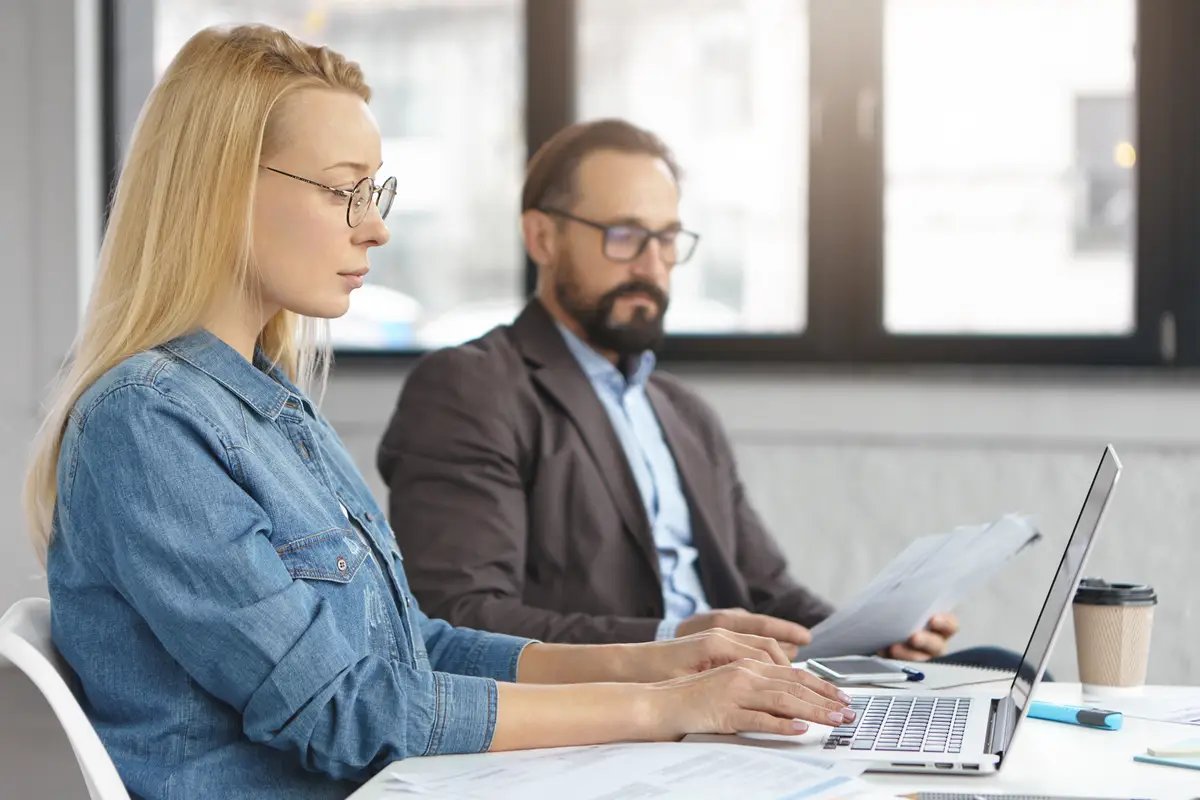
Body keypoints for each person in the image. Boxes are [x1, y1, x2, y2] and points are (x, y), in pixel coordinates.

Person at [22, 29, 853, 800]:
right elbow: (347, 712)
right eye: (346, 192)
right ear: (221, 189)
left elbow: (415, 651)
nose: (377, 228)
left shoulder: (272, 411)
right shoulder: (147, 424)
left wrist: (659, 665)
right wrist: (664, 708)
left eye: (374, 193)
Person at [376, 118, 992, 667]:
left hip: (735, 699)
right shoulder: (471, 389)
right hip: (616, 717)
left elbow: (769, 592)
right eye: (624, 235)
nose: (651, 265)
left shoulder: (683, 413)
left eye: (667, 239)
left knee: (996, 665)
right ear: (542, 239)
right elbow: (460, 619)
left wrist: (871, 636)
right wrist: (674, 639)